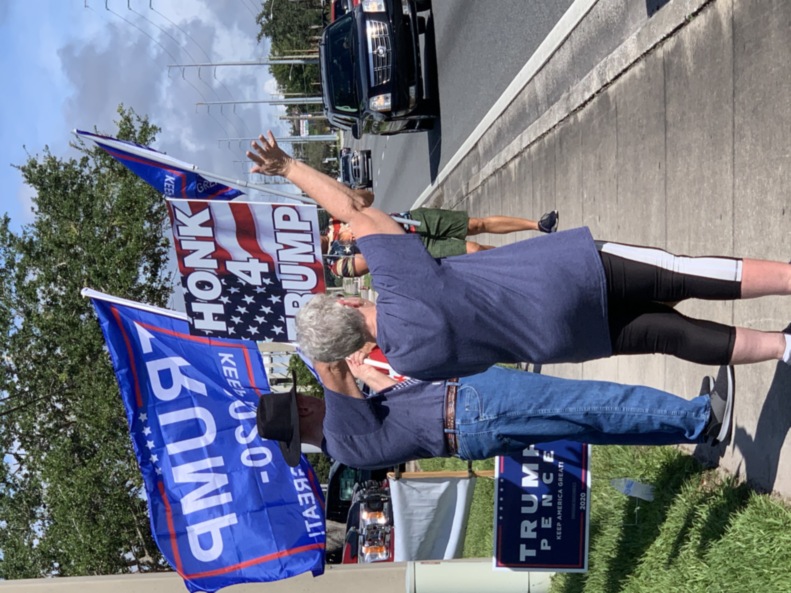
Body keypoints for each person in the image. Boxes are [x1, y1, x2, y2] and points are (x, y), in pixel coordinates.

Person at [247, 132, 791, 381]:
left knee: (667, 336)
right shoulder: (397, 281)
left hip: (562, 340)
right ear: (343, 308)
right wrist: (289, 169)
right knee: (681, 274)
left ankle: (782, 347)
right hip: (563, 277)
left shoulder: (410, 361)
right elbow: (351, 207)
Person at [256, 358, 735, 470]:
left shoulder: (346, 444)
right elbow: (328, 362)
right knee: (587, 402)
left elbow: (393, 408)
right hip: (471, 410)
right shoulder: (340, 424)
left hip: (464, 423)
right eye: (306, 397)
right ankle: (700, 418)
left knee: (588, 424)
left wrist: (373, 374)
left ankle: (684, 425)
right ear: (302, 408)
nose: (314, 396)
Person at [319, 205, 559, 278]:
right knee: (475, 251)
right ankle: (530, 261)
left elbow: (365, 197)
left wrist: (352, 214)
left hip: (412, 220)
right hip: (414, 248)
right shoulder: (336, 265)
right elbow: (372, 263)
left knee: (475, 224)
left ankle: (538, 225)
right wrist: (361, 233)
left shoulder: (335, 217)